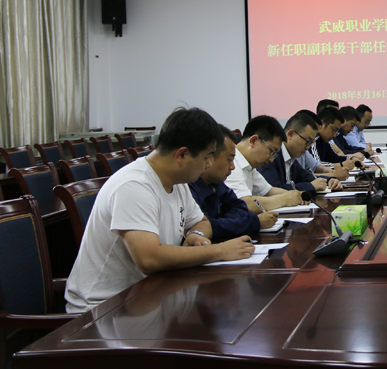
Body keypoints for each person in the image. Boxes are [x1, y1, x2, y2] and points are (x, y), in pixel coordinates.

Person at [65, 108, 255, 313]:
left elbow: (201, 222)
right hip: (103, 309)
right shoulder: (134, 185)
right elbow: (149, 259)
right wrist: (220, 251)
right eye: (207, 157)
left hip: (148, 295)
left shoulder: (178, 181)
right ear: (182, 154)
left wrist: (196, 235)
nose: (209, 164)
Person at [190, 125, 278, 237]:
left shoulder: (217, 184)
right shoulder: (189, 187)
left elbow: (240, 207)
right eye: (229, 160)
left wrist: (226, 223)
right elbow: (205, 227)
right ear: (209, 156)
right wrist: (252, 223)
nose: (232, 167)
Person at [225, 115, 305, 212]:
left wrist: (296, 195)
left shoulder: (249, 166)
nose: (271, 159)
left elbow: (268, 191)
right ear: (253, 141)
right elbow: (244, 203)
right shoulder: (231, 164)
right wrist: (284, 200)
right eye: (272, 151)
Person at [260, 110, 342, 193]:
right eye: (307, 141)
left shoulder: (291, 157)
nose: (308, 147)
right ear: (290, 134)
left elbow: (306, 177)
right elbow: (274, 189)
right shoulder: (271, 156)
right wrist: (311, 186)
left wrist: (330, 180)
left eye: (311, 143)